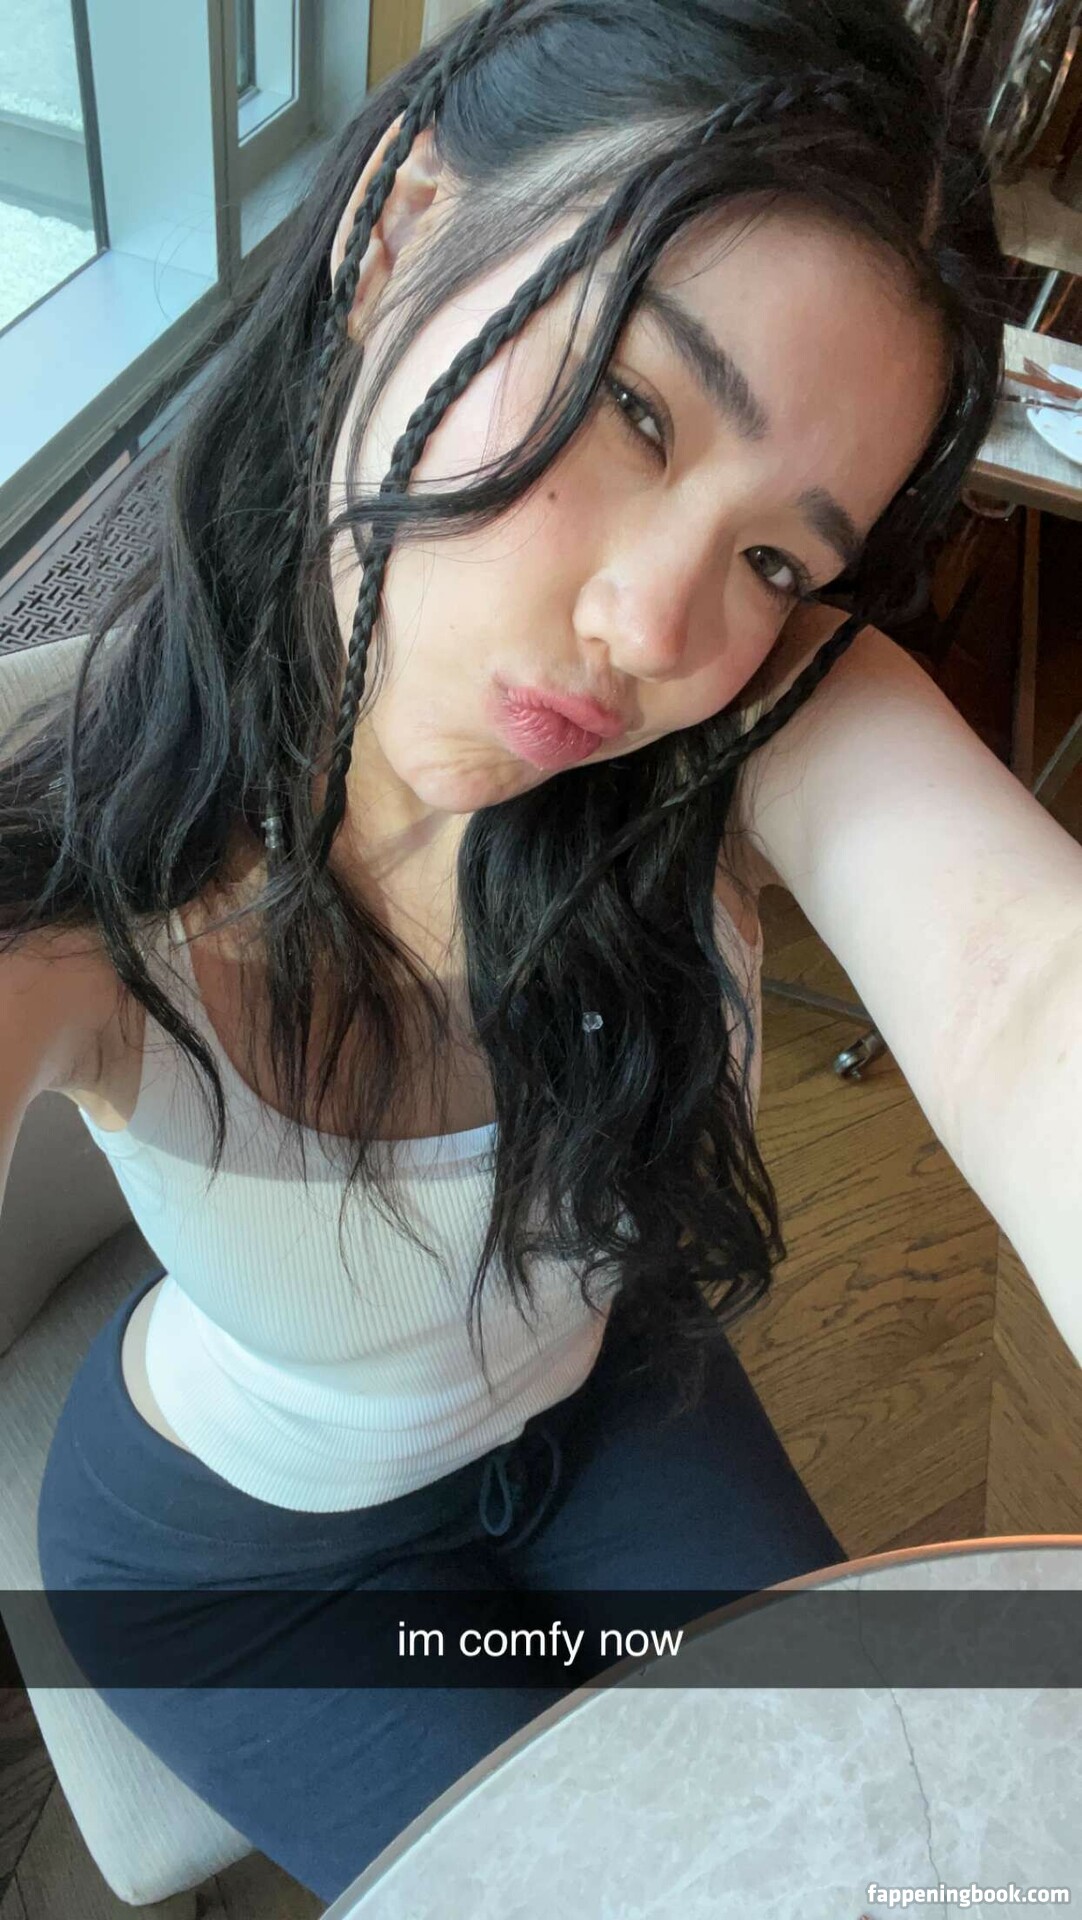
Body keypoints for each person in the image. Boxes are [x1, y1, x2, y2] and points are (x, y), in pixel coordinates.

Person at [3, 0, 1076, 1904]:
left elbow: (1023, 993)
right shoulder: (74, 875)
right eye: (633, 407)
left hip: (605, 1393)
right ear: (400, 227)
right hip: (245, 1559)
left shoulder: (758, 708)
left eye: (775, 559)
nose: (658, 631)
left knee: (873, 1841)